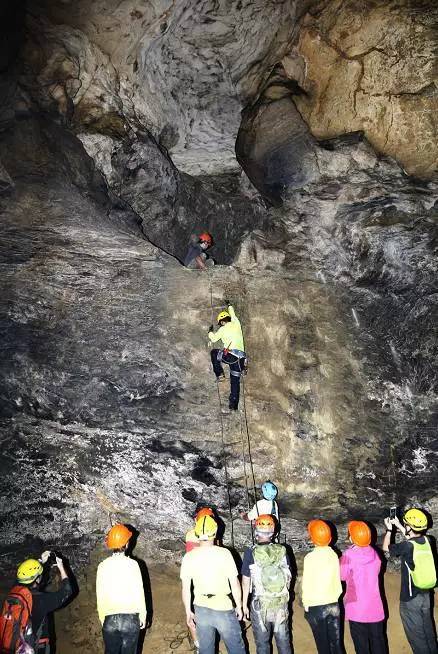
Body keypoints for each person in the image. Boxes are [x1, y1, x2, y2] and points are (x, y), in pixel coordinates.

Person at [180, 514, 245, 654]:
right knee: (236, 648)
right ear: (215, 532)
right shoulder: (225, 554)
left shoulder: (189, 557)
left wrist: (188, 612)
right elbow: (235, 584)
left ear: (196, 533)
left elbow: (186, 588)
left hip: (201, 609)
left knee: (206, 650)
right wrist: (239, 606)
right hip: (223, 608)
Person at [383, 508, 437, 654]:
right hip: (426, 596)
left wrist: (389, 530)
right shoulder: (429, 540)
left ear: (409, 527)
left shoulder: (407, 546)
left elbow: (386, 549)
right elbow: (413, 541)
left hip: (410, 599)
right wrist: (400, 526)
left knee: (417, 639)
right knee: (428, 632)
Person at [0, 551, 73, 653]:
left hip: (14, 647)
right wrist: (61, 567)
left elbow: (26, 579)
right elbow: (67, 591)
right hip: (35, 648)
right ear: (37, 579)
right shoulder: (41, 600)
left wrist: (41, 562)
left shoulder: (13, 592)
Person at [242, 514, 292, 654]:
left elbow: (246, 581)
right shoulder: (282, 551)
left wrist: (244, 604)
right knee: (283, 642)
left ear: (256, 530)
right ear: (273, 532)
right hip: (280, 604)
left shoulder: (250, 552)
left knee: (263, 645)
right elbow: (289, 576)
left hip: (260, 605)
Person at [96, 523, 147, 654]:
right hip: (130, 619)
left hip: (110, 619)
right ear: (127, 544)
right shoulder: (133, 564)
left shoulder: (102, 566)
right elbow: (139, 592)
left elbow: (100, 595)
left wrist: (103, 619)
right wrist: (143, 616)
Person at [340, 521, 387, 654]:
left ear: (351, 538)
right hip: (375, 606)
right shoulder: (375, 553)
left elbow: (342, 576)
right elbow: (376, 571)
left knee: (361, 645)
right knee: (378, 641)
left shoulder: (348, 555)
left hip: (356, 608)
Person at [302, 519, 343, 654]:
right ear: (330, 538)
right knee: (336, 644)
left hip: (316, 607)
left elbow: (307, 583)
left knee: (323, 645)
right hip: (333, 605)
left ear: (312, 538)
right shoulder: (334, 555)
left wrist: (306, 604)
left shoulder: (310, 557)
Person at [208, 304, 246, 411]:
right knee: (235, 383)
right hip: (241, 360)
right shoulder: (236, 323)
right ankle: (233, 406)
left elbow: (214, 339)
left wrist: (210, 332)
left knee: (214, 353)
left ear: (222, 322)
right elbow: (233, 314)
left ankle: (220, 375)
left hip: (232, 356)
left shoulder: (223, 329)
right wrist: (229, 305)